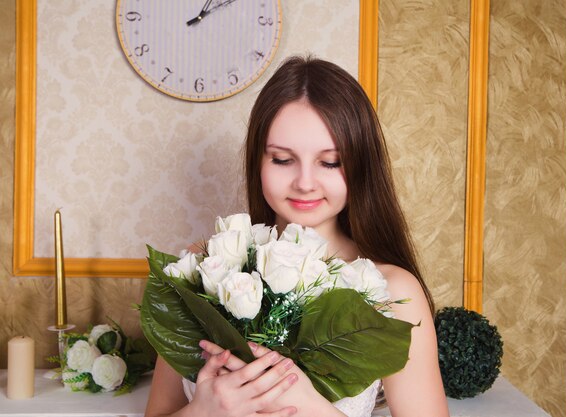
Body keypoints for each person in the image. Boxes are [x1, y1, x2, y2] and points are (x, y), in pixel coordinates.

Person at [145, 56, 449, 417]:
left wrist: (312, 408)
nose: (305, 182)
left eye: (330, 162)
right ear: (258, 160)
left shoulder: (393, 290)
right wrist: (204, 411)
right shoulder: (203, 267)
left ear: (360, 164)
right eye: (283, 159)